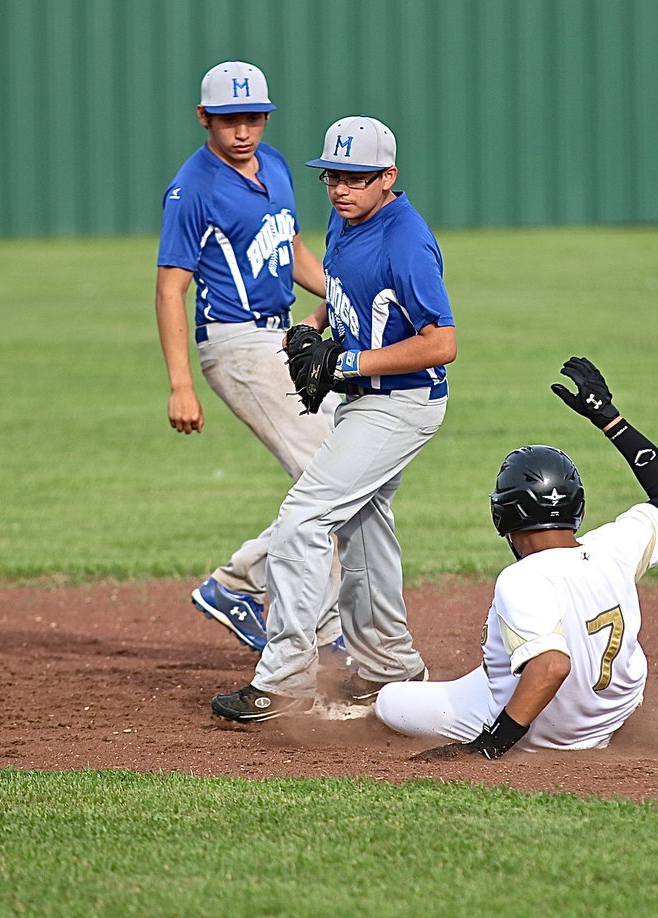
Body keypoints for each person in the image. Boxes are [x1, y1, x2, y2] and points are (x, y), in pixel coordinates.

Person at [211, 115, 457, 722]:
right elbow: (342, 291)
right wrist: (313, 327)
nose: (341, 189)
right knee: (364, 531)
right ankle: (389, 669)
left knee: (304, 517)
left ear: (388, 178)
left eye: (356, 178)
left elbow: (442, 342)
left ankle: (285, 679)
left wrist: (347, 358)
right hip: (365, 401)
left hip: (401, 403)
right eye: (332, 178)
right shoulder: (346, 221)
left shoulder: (407, 240)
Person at [375, 357, 658, 758]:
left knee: (391, 701)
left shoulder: (522, 579)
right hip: (611, 716)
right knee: (518, 652)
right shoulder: (615, 547)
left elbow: (551, 667)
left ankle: (495, 721)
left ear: (501, 515)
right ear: (576, 506)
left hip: (541, 732)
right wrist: (609, 420)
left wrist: (488, 747)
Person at [155, 60, 346, 659]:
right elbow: (170, 288)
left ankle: (239, 584)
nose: (242, 130)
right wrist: (180, 385)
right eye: (228, 118)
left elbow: (287, 249)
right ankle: (306, 622)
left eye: (253, 117)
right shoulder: (194, 190)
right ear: (203, 118)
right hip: (237, 345)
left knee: (345, 474)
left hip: (282, 337)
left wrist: (342, 295)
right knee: (332, 478)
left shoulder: (278, 165)